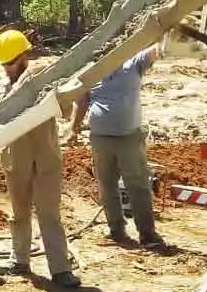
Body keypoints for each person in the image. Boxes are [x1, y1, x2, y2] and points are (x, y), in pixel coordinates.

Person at [0, 29, 81, 288]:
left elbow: (66, 109)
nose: (7, 69)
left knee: (49, 213)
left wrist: (44, 89)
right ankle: (20, 259)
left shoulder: (46, 83)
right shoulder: (5, 91)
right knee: (18, 213)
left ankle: (60, 269)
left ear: (23, 57)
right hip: (16, 160)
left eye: (10, 63)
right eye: (4, 64)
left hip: (45, 160)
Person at [69, 43, 167, 248]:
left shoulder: (133, 63)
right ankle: (116, 231)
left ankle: (147, 234)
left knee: (137, 185)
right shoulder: (92, 71)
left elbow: (157, 49)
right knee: (106, 185)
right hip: (100, 138)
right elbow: (82, 101)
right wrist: (73, 128)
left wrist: (167, 28)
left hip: (129, 137)